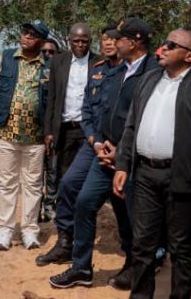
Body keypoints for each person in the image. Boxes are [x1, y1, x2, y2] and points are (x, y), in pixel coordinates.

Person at [114, 28, 191, 299]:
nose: (161, 48)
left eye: (170, 45)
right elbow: (131, 126)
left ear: (189, 56)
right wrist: (123, 165)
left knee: (181, 248)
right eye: (164, 43)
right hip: (145, 176)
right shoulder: (148, 79)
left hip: (182, 178)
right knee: (142, 246)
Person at [48, 18, 154, 290]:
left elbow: (147, 118)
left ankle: (134, 265)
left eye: (118, 38)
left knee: (128, 214)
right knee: (83, 202)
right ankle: (81, 268)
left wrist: (122, 152)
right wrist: (100, 143)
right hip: (104, 153)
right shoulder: (116, 72)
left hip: (131, 159)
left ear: (134, 41)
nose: (111, 42)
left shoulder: (153, 72)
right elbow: (102, 111)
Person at [0, 20, 51, 251]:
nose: (26, 37)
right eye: (24, 32)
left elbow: (52, 102)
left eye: (32, 35)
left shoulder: (48, 66)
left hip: (36, 138)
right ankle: (5, 232)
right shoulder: (6, 58)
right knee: (6, 184)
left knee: (33, 185)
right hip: (6, 134)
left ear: (41, 41)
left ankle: (30, 232)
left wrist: (50, 133)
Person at [44, 24, 101, 219]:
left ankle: (82, 214)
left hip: (88, 130)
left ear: (90, 42)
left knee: (85, 175)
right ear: (69, 40)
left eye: (84, 41)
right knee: (64, 174)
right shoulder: (58, 62)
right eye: (76, 41)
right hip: (65, 128)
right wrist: (49, 131)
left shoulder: (98, 62)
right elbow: (51, 98)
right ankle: (65, 216)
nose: (80, 45)